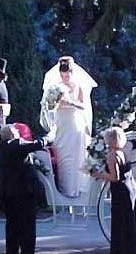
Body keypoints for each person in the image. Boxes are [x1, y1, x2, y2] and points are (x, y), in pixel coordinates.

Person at [0, 124, 56, 254]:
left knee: (12, 226)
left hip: (8, 191)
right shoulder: (17, 145)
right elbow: (37, 144)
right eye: (16, 131)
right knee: (27, 227)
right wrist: (50, 136)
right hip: (24, 191)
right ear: (13, 134)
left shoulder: (1, 148)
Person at [39, 56, 97, 198]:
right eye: (62, 75)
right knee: (63, 158)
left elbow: (83, 105)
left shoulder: (79, 85)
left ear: (72, 73)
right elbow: (48, 106)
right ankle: (64, 192)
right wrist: (55, 102)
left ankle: (76, 192)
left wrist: (69, 102)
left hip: (75, 123)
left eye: (67, 75)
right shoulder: (55, 86)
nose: (64, 78)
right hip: (61, 124)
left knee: (77, 158)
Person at [91, 127, 136, 254]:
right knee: (129, 224)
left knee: (119, 226)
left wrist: (99, 175)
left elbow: (115, 177)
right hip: (130, 188)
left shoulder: (112, 156)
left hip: (120, 192)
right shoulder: (125, 152)